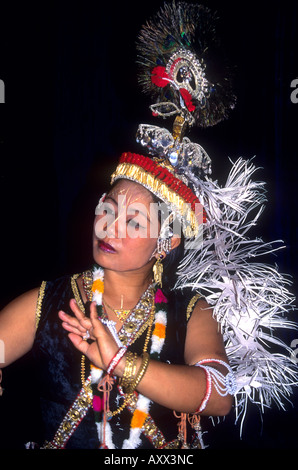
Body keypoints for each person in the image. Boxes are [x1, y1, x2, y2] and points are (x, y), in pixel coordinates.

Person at [0, 1, 297, 450]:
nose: (109, 225)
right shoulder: (53, 301)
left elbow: (217, 397)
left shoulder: (190, 311)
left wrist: (119, 361)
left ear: (168, 239)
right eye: (108, 208)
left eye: (134, 219)